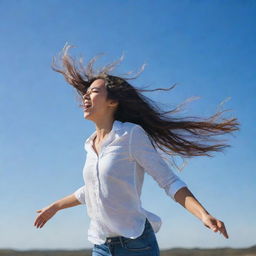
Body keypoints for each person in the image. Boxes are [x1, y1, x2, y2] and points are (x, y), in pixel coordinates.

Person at [34, 44, 239, 256]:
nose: (85, 97)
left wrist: (203, 214)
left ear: (113, 101)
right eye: (85, 93)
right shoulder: (89, 143)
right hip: (101, 245)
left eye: (93, 92)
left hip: (136, 245)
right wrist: (55, 207)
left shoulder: (131, 135)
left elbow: (168, 181)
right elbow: (92, 189)